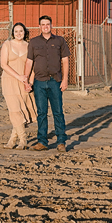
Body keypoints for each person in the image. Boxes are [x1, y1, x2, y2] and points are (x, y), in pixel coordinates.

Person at [24, 15, 71, 151]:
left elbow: (65, 60)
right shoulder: (33, 42)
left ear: (51, 26)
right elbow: (29, 62)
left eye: (47, 24)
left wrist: (65, 79)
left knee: (58, 112)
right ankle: (42, 142)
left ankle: (61, 141)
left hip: (55, 81)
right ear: (39, 27)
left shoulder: (59, 41)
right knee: (41, 113)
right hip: (39, 82)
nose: (45, 26)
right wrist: (26, 80)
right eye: (43, 24)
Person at [0, 22, 37, 149]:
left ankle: (12, 140)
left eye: (21, 31)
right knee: (14, 110)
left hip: (25, 82)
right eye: (16, 31)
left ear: (25, 32)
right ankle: (23, 140)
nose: (18, 33)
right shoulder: (7, 44)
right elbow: (4, 64)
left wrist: (30, 82)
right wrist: (18, 77)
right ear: (12, 33)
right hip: (9, 81)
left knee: (23, 110)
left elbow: (33, 67)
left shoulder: (29, 46)